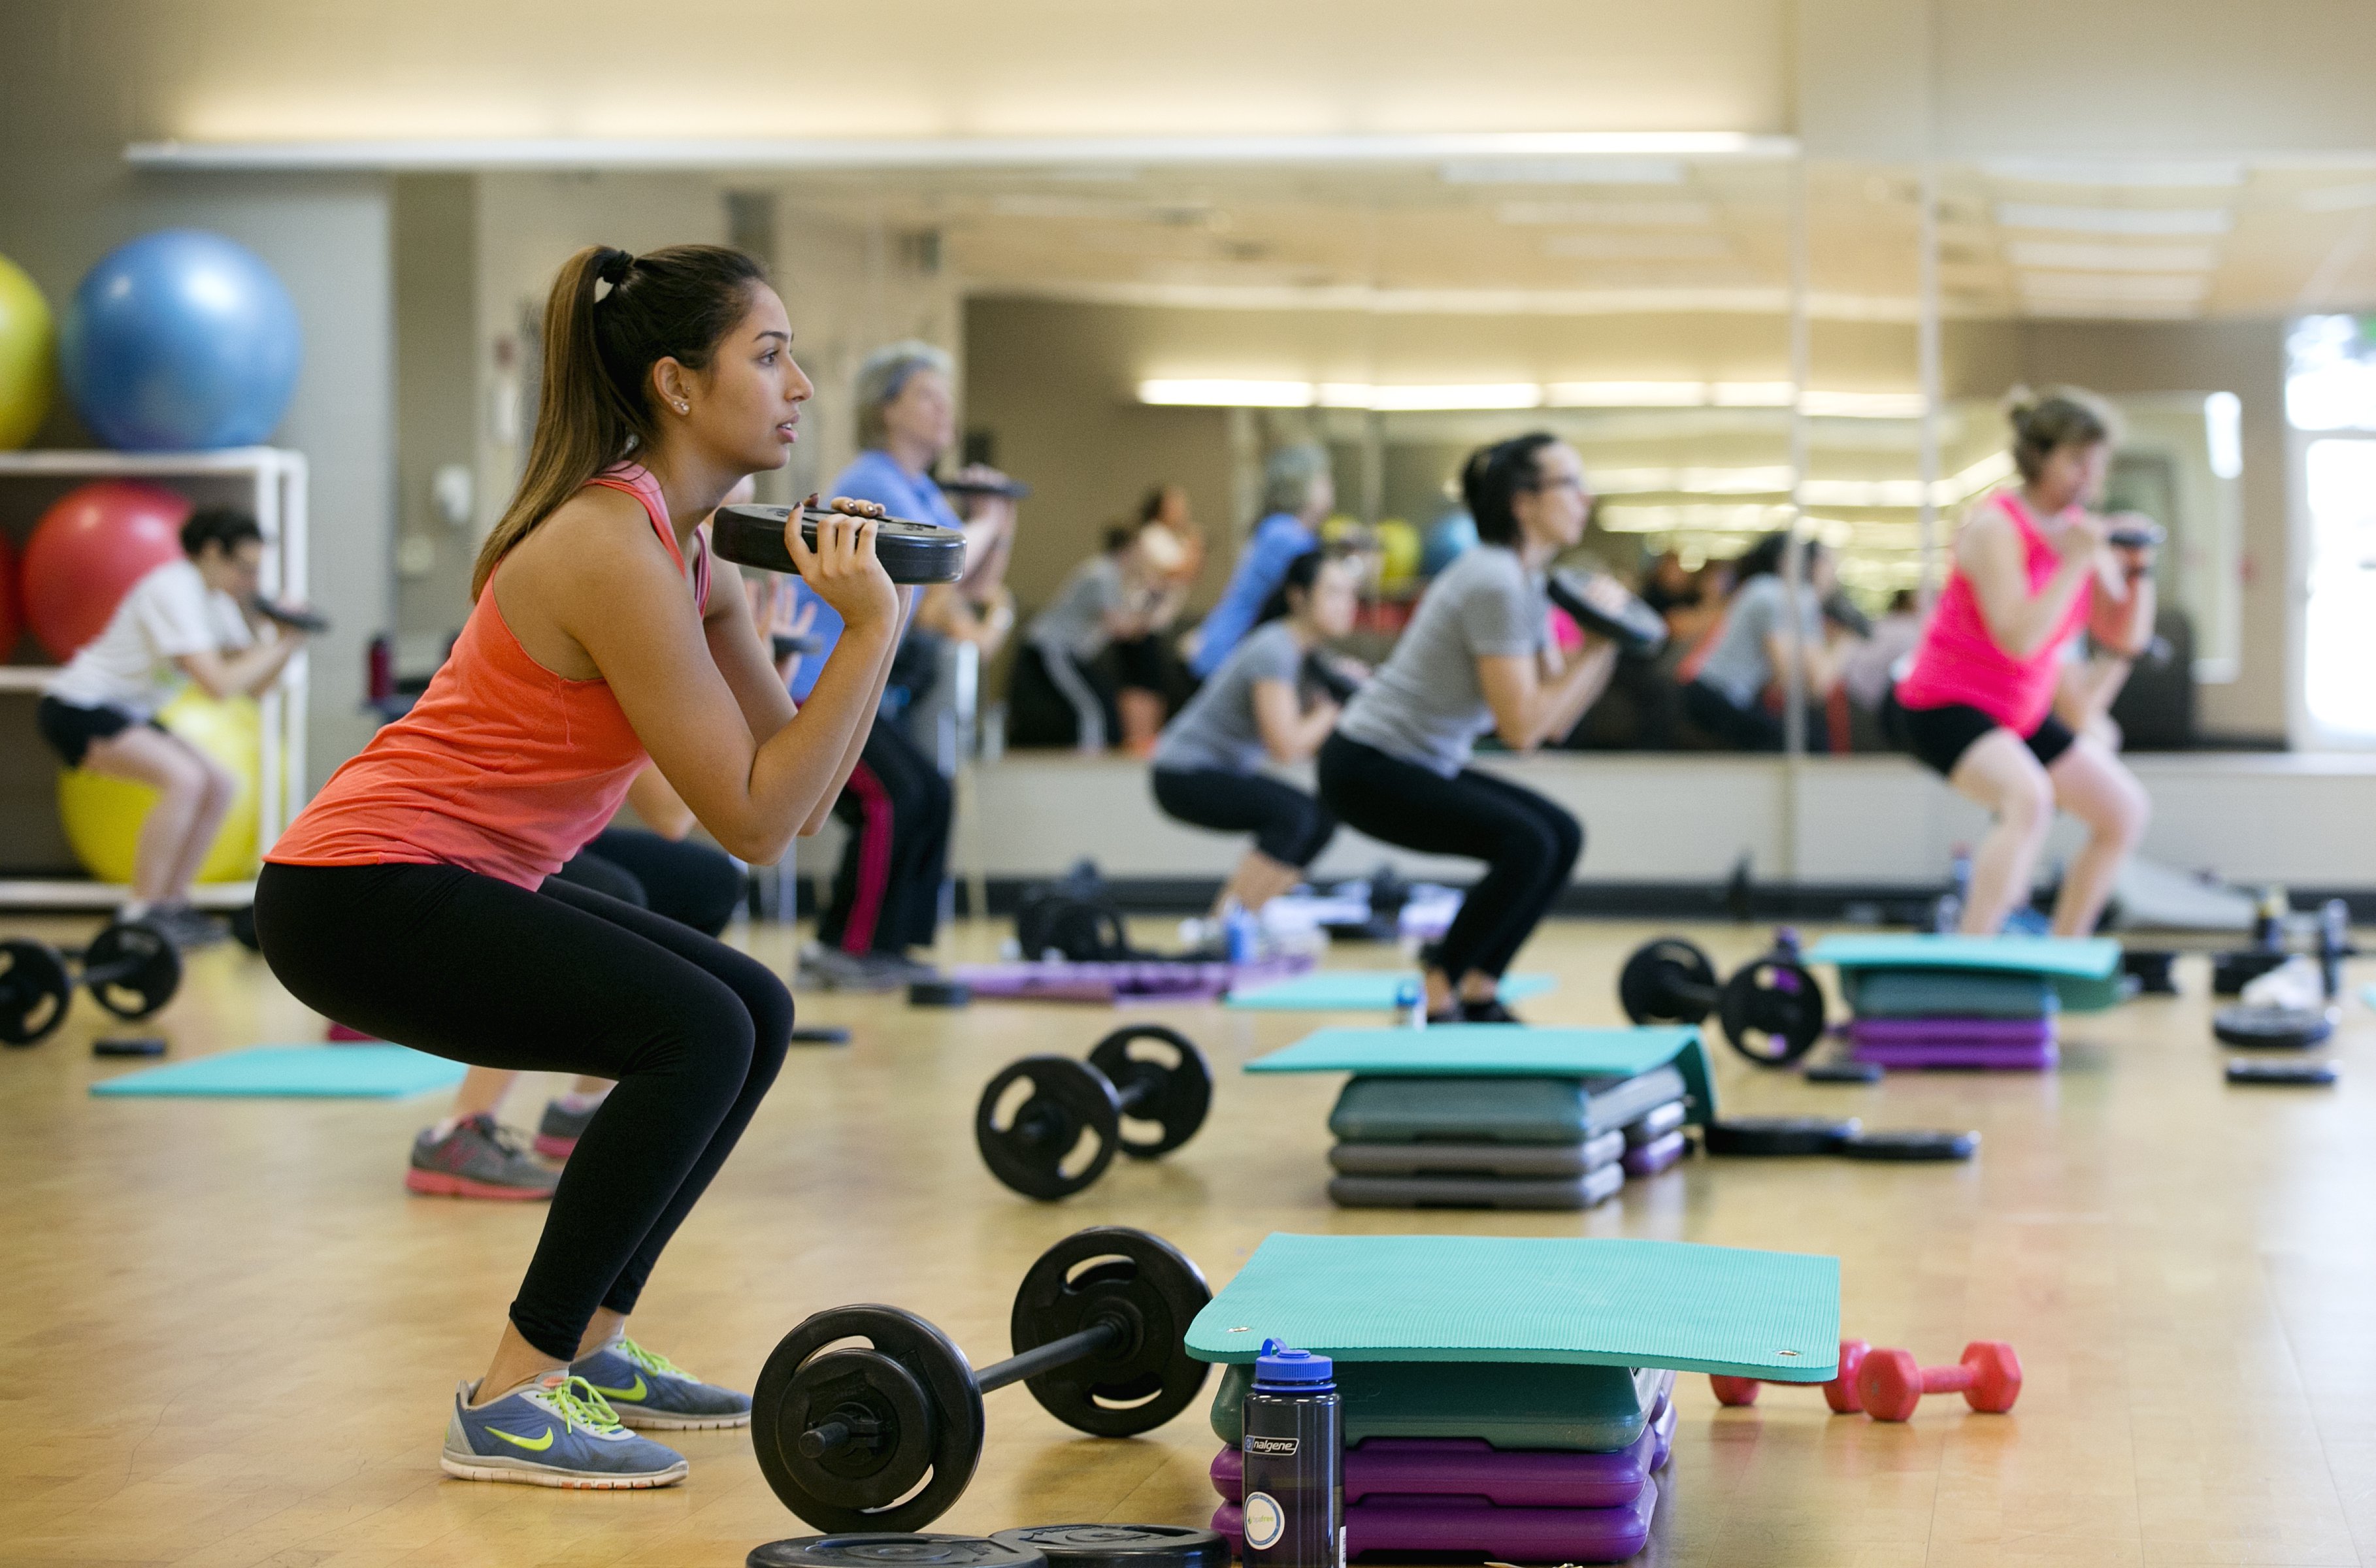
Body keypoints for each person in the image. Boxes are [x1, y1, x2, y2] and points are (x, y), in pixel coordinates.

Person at [256, 242, 907, 1488]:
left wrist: (857, 628)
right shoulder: (610, 542)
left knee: (752, 1009)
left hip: (450, 876)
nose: (801, 385)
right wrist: (871, 631)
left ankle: (593, 1353)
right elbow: (757, 820)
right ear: (674, 383)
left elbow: (796, 800)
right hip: (359, 887)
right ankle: (510, 1394)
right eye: (767, 356)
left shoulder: (692, 551)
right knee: (697, 1033)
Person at [1316, 433, 1617, 1024]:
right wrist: (1599, 642)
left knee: (1560, 834)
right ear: (1523, 503)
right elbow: (1522, 730)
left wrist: (1605, 639)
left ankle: (1479, 986)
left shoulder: (1525, 583)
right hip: (1369, 766)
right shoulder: (1495, 581)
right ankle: (1439, 989)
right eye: (1570, 483)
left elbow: (1554, 720)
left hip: (1417, 762)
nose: (1586, 497)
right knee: (1528, 843)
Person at [405, 764, 748, 1200]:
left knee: (708, 882)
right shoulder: (641, 691)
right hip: (482, 834)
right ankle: (459, 1129)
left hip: (564, 834)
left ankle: (582, 1108)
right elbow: (673, 814)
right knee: (609, 897)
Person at [1888, 389, 2154, 936]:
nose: (2090, 477)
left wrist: (2137, 568)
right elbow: (2019, 639)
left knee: (2123, 812)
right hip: (1943, 706)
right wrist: (2076, 561)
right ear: (2041, 458)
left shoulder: (2080, 532)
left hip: (2017, 714)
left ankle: (2064, 953)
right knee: (2027, 797)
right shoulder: (1995, 527)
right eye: (2076, 461)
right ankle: (1975, 960)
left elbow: (2123, 638)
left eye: (2096, 464)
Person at [792, 341, 1000, 992]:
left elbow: (968, 583)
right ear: (888, 410)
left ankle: (892, 945)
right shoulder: (873, 480)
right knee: (894, 797)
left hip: (853, 692)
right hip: (806, 686)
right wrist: (987, 521)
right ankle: (844, 950)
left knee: (931, 793)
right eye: (928, 398)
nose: (946, 413)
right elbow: (956, 554)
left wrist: (1002, 521)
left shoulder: (913, 487)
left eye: (948, 400)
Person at [37, 506, 308, 946]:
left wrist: (286, 642)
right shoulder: (174, 589)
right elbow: (219, 685)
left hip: (129, 712)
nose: (251, 582)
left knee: (219, 783)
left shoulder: (216, 603)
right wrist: (281, 643)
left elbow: (255, 688)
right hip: (79, 706)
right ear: (211, 552)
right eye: (244, 568)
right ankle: (141, 911)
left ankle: (173, 906)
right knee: (183, 780)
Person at [1150, 549, 1358, 928]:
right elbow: (1286, 747)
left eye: (1350, 593)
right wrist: (1328, 714)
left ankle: (1253, 920)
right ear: (1299, 597)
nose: (1347, 604)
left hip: (1215, 770)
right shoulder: (1274, 649)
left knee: (1323, 818)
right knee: (1292, 815)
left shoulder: (1310, 658)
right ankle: (1221, 928)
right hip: (1181, 772)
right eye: (1334, 593)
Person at [1683, 531, 1859, 752]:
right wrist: (1848, 640)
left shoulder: (1769, 590)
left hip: (1714, 696)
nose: (1833, 572)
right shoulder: (1779, 595)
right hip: (1714, 699)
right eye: (1828, 562)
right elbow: (1811, 686)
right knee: (1811, 744)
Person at [1008, 525, 1178, 751]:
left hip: (1073, 654)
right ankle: (1089, 764)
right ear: (1126, 550)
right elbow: (1121, 628)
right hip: (1052, 649)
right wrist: (1153, 608)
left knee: (1103, 700)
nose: (1144, 558)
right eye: (1140, 551)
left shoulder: (1115, 577)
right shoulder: (1102, 573)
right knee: (1089, 707)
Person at [1185, 443, 1334, 680]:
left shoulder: (1282, 529)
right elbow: (1319, 585)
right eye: (1323, 480)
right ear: (1300, 486)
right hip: (1227, 652)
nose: (1330, 488)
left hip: (1231, 650)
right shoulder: (1285, 533)